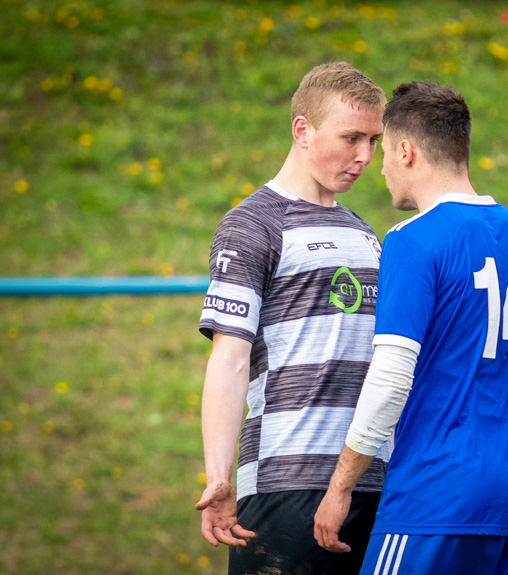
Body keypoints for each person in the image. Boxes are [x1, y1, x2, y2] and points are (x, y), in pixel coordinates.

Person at [312, 81, 508, 575]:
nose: (377, 166)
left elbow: (390, 376)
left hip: (432, 501)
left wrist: (339, 487)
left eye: (382, 148)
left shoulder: (412, 241)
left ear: (406, 151)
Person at [194, 62, 389, 575]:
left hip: (376, 483)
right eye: (351, 138)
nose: (365, 156)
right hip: (287, 481)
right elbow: (229, 356)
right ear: (302, 130)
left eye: (374, 140)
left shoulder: (367, 234)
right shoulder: (252, 224)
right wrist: (218, 475)